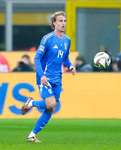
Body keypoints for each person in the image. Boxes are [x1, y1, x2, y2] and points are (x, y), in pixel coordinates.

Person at [20, 11, 76, 142]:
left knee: (51, 108)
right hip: (45, 77)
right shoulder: (47, 39)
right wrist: (42, 76)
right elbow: (37, 58)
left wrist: (70, 66)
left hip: (58, 78)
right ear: (54, 23)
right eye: (60, 21)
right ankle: (31, 103)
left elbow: (65, 57)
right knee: (50, 104)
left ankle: (32, 135)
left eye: (64, 21)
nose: (63, 23)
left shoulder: (67, 40)